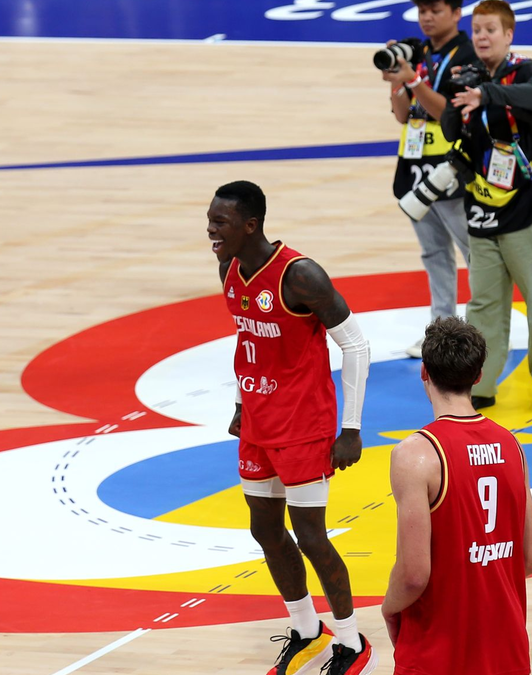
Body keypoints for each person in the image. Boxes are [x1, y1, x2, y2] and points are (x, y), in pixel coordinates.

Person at [208, 181, 375, 674]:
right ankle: (306, 630)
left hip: (304, 424)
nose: (211, 231)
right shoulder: (229, 268)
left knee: (310, 535)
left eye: (220, 222)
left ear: (250, 225)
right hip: (259, 421)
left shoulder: (300, 275)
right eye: (210, 221)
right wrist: (240, 403)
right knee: (264, 528)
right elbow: (247, 339)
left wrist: (351, 428)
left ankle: (351, 642)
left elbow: (357, 345)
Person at [382, 317, 532, 675]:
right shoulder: (513, 446)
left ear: (424, 372)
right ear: (478, 375)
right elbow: (528, 559)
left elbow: (413, 575)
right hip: (506, 651)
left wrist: (389, 607)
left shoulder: (415, 454)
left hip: (438, 655)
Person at [438, 0, 532, 411]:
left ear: (508, 34)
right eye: (477, 30)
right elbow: (450, 129)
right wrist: (455, 99)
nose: (482, 37)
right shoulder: (467, 75)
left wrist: (487, 93)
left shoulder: (527, 72)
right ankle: (481, 380)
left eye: (490, 29)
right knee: (484, 302)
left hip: (526, 206)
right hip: (481, 204)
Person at [380, 0, 479, 358]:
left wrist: (414, 80)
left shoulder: (467, 55)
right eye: (422, 11)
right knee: (433, 252)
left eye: (435, 10)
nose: (427, 18)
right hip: (414, 164)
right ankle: (441, 330)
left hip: (451, 166)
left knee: (473, 251)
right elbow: (402, 115)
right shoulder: (417, 51)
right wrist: (397, 82)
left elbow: (448, 112)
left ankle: (481, 327)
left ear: (456, 13)